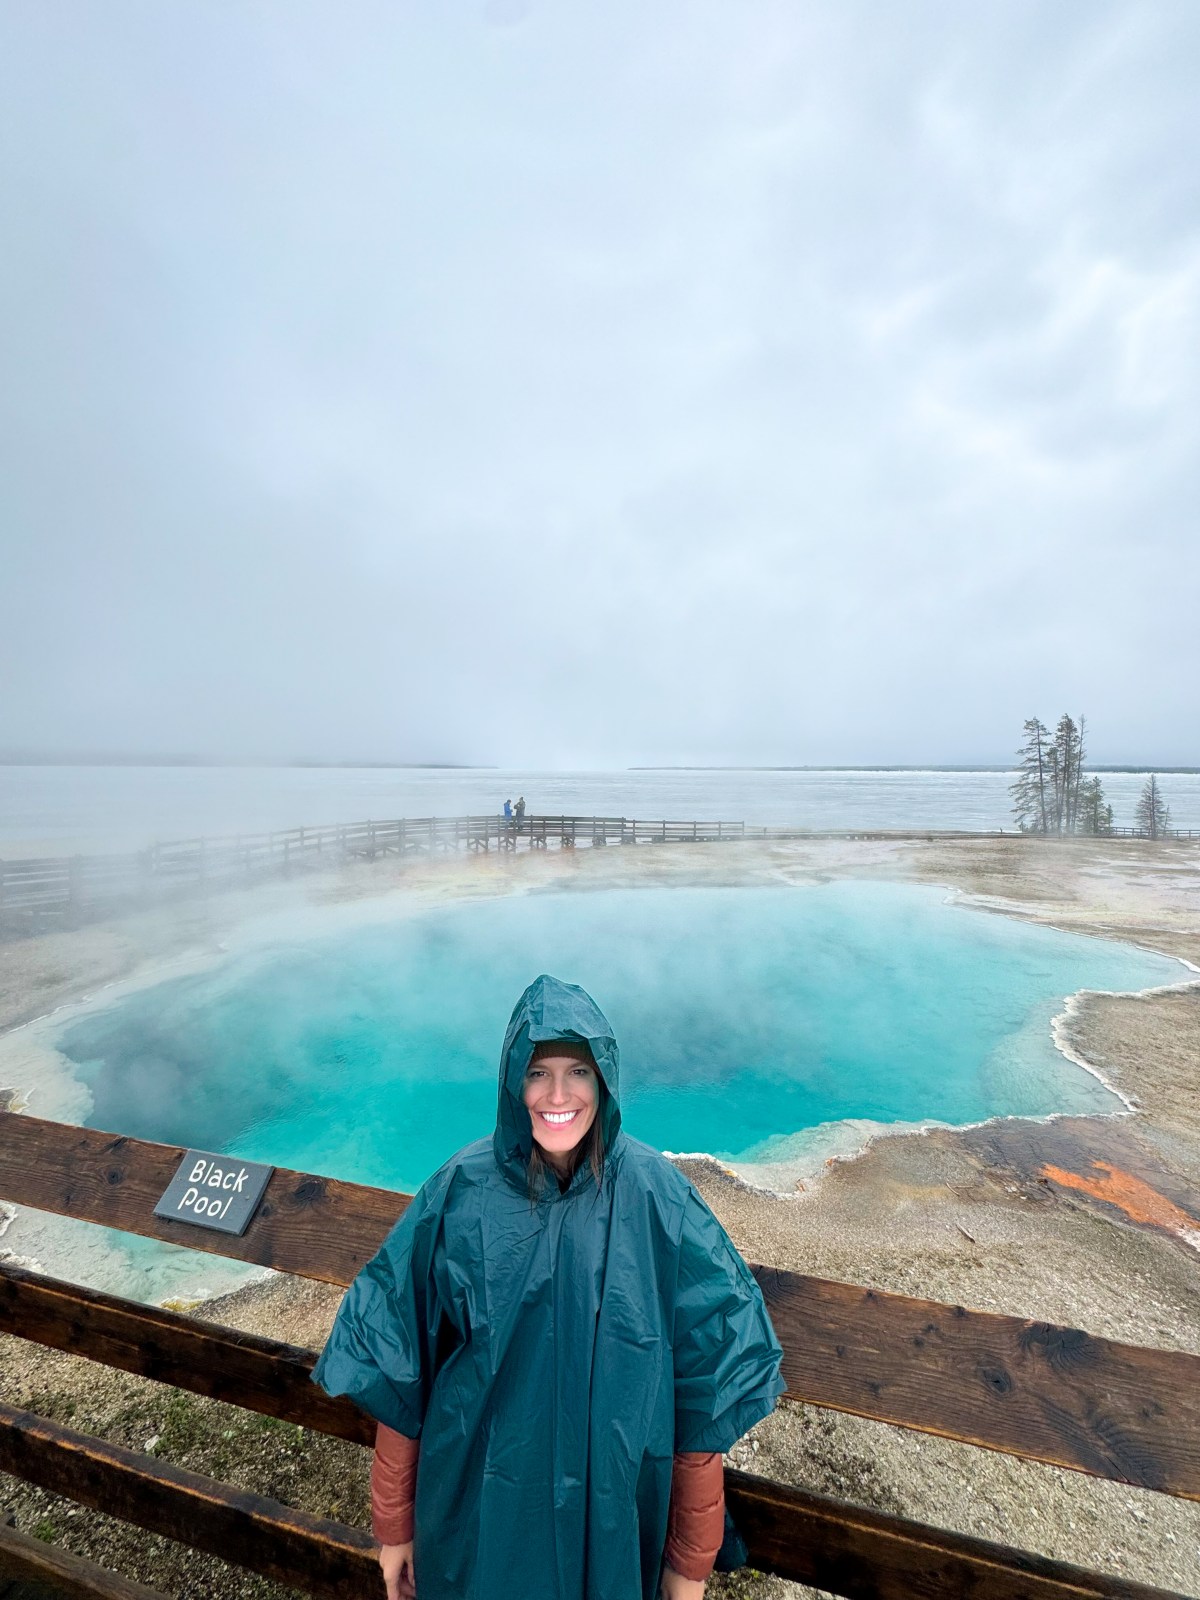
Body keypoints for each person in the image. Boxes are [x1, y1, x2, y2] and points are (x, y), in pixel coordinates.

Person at [312, 975, 784, 1600]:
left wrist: (689, 1565)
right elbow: (401, 1365)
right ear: (513, 1081)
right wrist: (394, 1526)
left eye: (578, 1072)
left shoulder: (656, 1197)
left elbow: (707, 1391)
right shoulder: (460, 1191)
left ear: (604, 1081)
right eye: (538, 1072)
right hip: (481, 1513)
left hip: (614, 1518)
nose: (558, 1094)